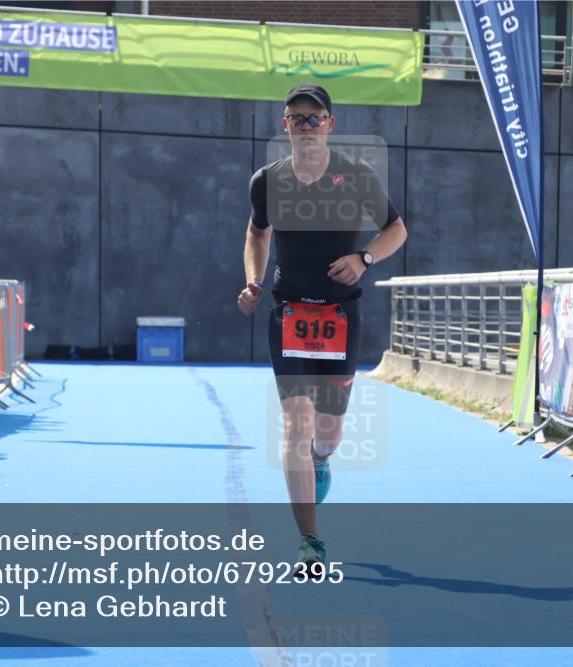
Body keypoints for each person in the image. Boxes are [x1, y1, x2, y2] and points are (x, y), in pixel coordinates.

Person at [238, 84, 407, 567]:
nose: (306, 126)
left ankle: (321, 458)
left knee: (327, 434)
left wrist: (364, 258)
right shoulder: (267, 181)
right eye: (297, 118)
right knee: (296, 423)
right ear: (285, 125)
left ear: (330, 125)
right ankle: (309, 540)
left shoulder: (355, 176)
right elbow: (256, 232)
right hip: (289, 313)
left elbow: (396, 229)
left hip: (339, 316)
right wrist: (253, 280)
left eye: (315, 118)